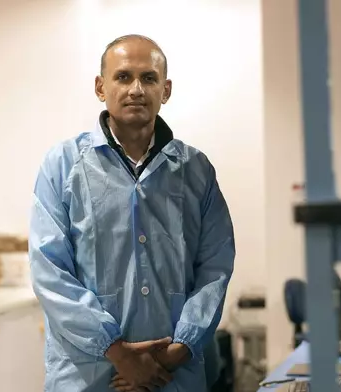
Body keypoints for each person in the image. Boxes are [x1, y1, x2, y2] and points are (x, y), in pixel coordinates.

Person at [29, 34, 235, 392]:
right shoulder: (62, 166)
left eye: (149, 78)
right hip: (88, 375)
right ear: (100, 86)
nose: (136, 89)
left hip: (173, 376)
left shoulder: (196, 171)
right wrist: (117, 351)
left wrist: (178, 349)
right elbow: (50, 271)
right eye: (123, 77)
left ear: (165, 90)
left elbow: (215, 269)